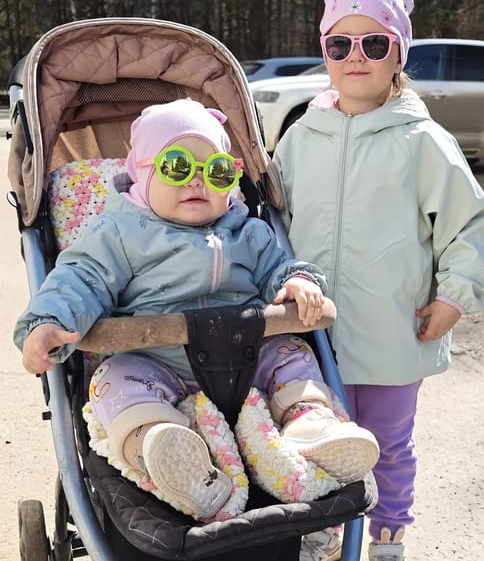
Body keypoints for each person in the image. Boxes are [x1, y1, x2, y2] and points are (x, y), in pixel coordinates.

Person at [14, 98, 379, 521]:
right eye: (177, 167)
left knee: (291, 354)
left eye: (218, 171)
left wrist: (298, 282)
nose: (197, 182)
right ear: (142, 174)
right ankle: (160, 446)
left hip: (247, 359)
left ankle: (309, 425)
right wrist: (50, 322)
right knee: (112, 382)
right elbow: (80, 278)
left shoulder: (248, 231)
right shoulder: (118, 232)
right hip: (156, 364)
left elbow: (278, 268)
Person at [273, 0, 484, 561]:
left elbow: (469, 223)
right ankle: (319, 536)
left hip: (394, 331)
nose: (356, 58)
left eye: (374, 44)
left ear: (398, 53)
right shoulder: (299, 138)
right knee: (314, 440)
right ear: (323, 51)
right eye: (339, 44)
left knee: (388, 447)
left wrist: (455, 296)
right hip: (311, 337)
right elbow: (272, 223)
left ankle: (390, 545)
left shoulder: (422, 141)